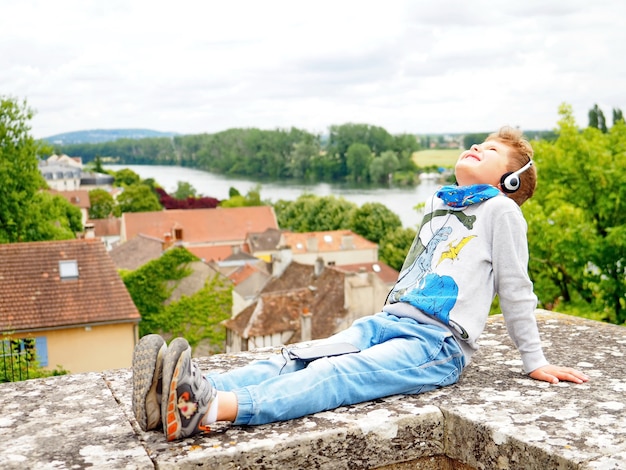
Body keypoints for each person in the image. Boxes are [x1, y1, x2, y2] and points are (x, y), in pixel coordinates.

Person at [132, 126, 589, 441]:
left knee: (336, 374)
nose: (476, 147)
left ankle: (210, 409)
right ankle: (178, 391)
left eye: (490, 151)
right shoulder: (442, 204)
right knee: (300, 357)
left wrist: (534, 360)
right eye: (477, 143)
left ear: (510, 180)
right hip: (388, 321)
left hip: (436, 345)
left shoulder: (502, 212)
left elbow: (515, 288)